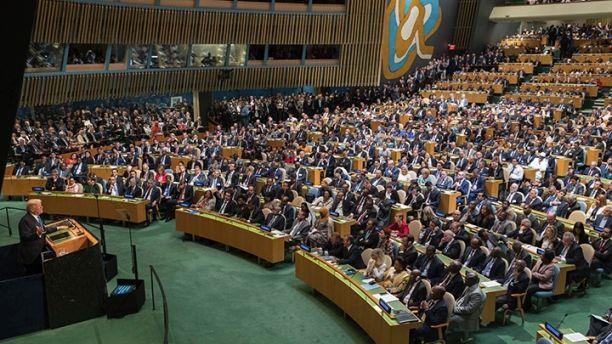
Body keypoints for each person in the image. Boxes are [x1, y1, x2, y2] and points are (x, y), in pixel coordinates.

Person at [18, 199, 56, 274]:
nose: (42, 207)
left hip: (39, 251)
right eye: (40, 206)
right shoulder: (25, 221)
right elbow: (25, 237)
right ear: (32, 209)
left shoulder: (37, 217)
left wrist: (57, 228)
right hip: (32, 256)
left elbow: (42, 229)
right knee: (34, 274)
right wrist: (37, 234)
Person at [448, 272, 486, 343]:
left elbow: (469, 309)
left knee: (451, 318)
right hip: (460, 307)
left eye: (467, 279)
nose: (465, 280)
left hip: (468, 315)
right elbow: (461, 298)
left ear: (472, 281)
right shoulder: (469, 286)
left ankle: (449, 335)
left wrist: (454, 309)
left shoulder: (476, 293)